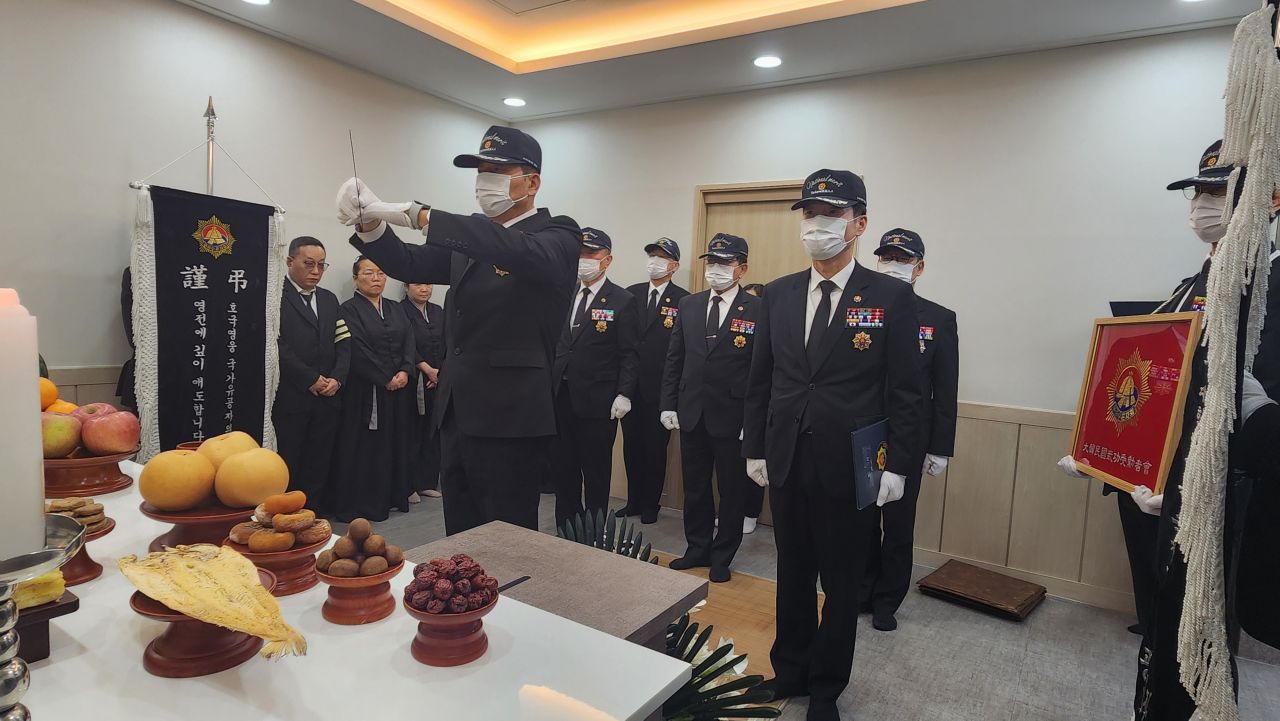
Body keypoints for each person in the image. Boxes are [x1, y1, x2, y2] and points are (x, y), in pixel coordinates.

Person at [335, 125, 580, 534]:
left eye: (497, 171)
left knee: (505, 535)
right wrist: (370, 225)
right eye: (481, 172)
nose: (485, 181)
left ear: (532, 182)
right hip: (458, 410)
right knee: (460, 533)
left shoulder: (557, 234)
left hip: (509, 415)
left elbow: (516, 250)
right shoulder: (473, 241)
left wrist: (419, 214)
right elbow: (410, 262)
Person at [742, 170, 923, 721]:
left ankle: (826, 687)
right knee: (792, 572)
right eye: (809, 214)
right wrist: (755, 448)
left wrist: (899, 466)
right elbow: (761, 379)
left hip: (852, 464)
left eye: (830, 215)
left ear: (858, 224)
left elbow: (907, 391)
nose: (816, 225)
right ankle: (790, 669)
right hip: (788, 457)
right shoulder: (777, 293)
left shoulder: (891, 296)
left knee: (842, 583)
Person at [862, 228, 958, 632]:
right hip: (864, 433)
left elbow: (945, 388)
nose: (893, 266)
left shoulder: (938, 318)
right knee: (863, 521)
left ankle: (887, 600)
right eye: (887, 258)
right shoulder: (861, 311)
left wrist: (940, 446)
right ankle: (862, 591)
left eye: (903, 260)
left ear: (919, 268)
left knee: (898, 523)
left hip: (909, 437)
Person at [660, 233, 764, 584]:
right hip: (692, 411)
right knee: (695, 487)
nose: (715, 269)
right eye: (711, 262)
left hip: (733, 416)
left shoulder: (757, 309)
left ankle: (722, 556)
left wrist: (753, 420)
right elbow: (674, 358)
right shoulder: (689, 304)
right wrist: (668, 403)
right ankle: (697, 548)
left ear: (742, 268)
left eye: (724, 262)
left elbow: (761, 370)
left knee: (732, 491)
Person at [550, 228, 640, 525]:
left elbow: (630, 352)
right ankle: (566, 526)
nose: (583, 259)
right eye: (579, 254)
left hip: (598, 400)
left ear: (607, 259)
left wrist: (624, 393)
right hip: (561, 395)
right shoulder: (564, 293)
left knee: (596, 469)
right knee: (564, 467)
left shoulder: (622, 300)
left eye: (590, 254)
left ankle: (594, 529)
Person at [326, 257, 414, 522]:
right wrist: (385, 378)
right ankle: (366, 503)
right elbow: (356, 348)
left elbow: (409, 340)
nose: (376, 278)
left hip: (399, 389)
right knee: (367, 446)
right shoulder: (348, 310)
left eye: (381, 273)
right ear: (355, 278)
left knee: (395, 441)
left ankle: (392, 496)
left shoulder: (395, 308)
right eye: (368, 273)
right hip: (365, 392)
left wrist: (405, 370)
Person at [274, 236, 349, 504]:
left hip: (328, 396)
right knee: (289, 458)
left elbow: (344, 342)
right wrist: (310, 379)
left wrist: (337, 378)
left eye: (321, 265)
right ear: (289, 261)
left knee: (319, 458)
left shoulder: (329, 299)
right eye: (308, 264)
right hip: (293, 395)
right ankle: (287, 513)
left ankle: (313, 513)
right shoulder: (275, 297)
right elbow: (277, 346)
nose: (316, 271)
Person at [619, 237, 688, 524]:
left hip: (661, 390)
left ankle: (651, 504)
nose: (655, 262)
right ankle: (633, 501)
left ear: (674, 266)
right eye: (652, 256)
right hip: (630, 387)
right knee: (631, 447)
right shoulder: (630, 294)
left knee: (655, 450)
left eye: (662, 257)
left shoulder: (684, 299)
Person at [399, 282, 445, 502]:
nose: (424, 289)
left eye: (428, 284)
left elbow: (447, 341)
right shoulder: (400, 310)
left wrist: (439, 373)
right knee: (413, 431)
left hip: (438, 378)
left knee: (433, 431)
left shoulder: (437, 310)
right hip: (414, 378)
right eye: (418, 284)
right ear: (406, 287)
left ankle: (428, 481)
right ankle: (410, 484)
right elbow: (406, 345)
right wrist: (427, 370)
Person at [740, 282, 767, 533]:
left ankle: (751, 513)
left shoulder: (764, 329)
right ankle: (734, 513)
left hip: (755, 405)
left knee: (754, 460)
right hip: (731, 406)